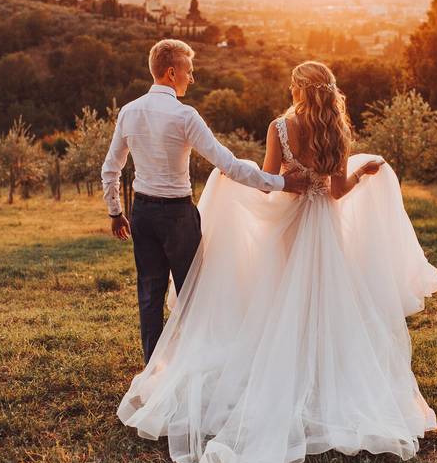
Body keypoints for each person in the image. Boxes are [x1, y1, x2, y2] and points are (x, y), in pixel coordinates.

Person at [116, 60, 437, 463]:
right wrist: (362, 172)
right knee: (323, 300)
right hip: (325, 224)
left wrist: (242, 179)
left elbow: (271, 181)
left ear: (296, 90)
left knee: (285, 295)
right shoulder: (336, 130)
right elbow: (339, 190)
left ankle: (284, 367)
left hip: (290, 221)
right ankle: (324, 373)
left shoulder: (280, 128)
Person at [101, 39, 310, 364]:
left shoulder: (128, 112)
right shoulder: (185, 116)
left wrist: (115, 212)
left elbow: (110, 168)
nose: (192, 78)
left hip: (141, 213)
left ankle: (154, 369)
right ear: (172, 72)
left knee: (149, 292)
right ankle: (192, 367)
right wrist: (280, 182)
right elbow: (228, 165)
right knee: (193, 296)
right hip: (177, 216)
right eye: (189, 71)